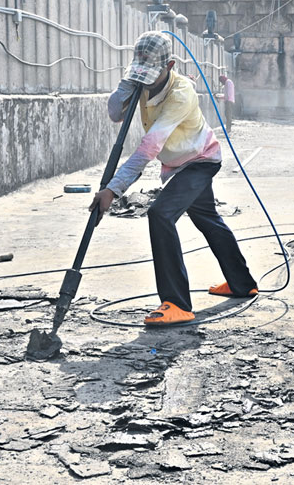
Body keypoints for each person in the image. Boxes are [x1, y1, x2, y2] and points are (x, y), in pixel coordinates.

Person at [90, 31, 258, 326]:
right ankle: (242, 283)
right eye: (139, 74)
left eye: (150, 74)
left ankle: (177, 303)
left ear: (169, 66)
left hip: (200, 161)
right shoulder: (140, 84)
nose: (145, 80)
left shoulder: (181, 93)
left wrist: (113, 190)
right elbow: (116, 113)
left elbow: (149, 147)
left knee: (160, 214)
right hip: (178, 164)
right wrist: (128, 82)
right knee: (207, 218)